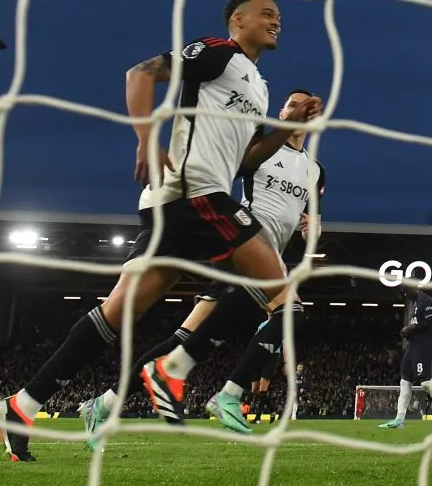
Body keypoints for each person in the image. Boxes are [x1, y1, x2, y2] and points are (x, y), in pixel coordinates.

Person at [0, 0, 321, 462]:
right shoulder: (217, 53)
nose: (277, 21)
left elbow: (247, 158)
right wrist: (146, 138)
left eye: (280, 16)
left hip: (180, 202)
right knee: (285, 300)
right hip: (196, 195)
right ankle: (174, 369)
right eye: (267, 13)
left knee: (115, 316)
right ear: (238, 20)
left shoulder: (259, 86)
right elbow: (140, 74)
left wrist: (285, 132)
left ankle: (21, 406)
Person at [78, 89, 325, 447]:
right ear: (282, 113)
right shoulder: (262, 148)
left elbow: (311, 221)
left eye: (307, 106)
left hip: (271, 258)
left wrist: (312, 230)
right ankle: (229, 394)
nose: (299, 110)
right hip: (243, 247)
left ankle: (103, 405)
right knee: (290, 312)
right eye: (291, 104)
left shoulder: (315, 172)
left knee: (184, 338)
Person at [378, 283, 432, 430]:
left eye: (406, 293)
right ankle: (399, 420)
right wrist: (409, 332)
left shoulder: (426, 300)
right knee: (404, 382)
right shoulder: (415, 304)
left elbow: (431, 322)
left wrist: (411, 327)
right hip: (412, 348)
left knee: (425, 383)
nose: (406, 296)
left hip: (423, 347)